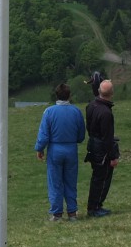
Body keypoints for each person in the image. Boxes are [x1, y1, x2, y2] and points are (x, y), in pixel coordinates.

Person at [34, 82, 86, 222]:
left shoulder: (49, 112)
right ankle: (72, 213)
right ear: (69, 95)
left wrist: (39, 149)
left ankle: (57, 214)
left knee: (55, 182)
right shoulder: (76, 111)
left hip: (55, 150)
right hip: (71, 149)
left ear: (56, 95)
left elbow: (44, 135)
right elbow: (81, 135)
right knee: (70, 181)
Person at [85, 79, 119, 217]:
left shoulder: (91, 106)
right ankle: (95, 207)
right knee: (102, 178)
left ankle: (94, 206)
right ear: (111, 93)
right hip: (102, 149)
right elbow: (107, 137)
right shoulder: (106, 113)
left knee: (96, 177)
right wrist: (113, 156)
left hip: (93, 144)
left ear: (99, 91)